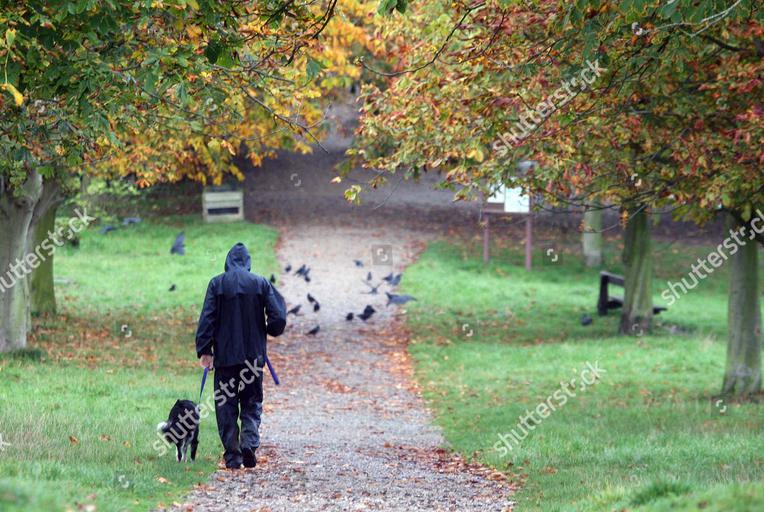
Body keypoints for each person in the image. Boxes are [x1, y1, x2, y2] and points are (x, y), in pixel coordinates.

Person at [195, 242, 287, 469]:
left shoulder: (217, 284)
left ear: (227, 263)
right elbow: (278, 317)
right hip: (253, 357)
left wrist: (205, 350)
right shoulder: (260, 283)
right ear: (247, 263)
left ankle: (233, 454)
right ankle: (249, 442)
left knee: (225, 403)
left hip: (225, 358)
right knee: (252, 400)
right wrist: (268, 329)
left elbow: (207, 319)